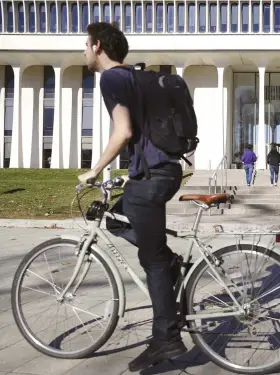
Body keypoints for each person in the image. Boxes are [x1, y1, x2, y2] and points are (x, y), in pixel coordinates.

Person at [78, 22, 187, 372]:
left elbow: (123, 131)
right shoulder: (135, 76)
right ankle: (169, 263)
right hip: (158, 172)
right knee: (114, 215)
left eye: (85, 45)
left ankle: (167, 339)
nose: (83, 52)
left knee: (151, 259)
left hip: (154, 177)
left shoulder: (111, 79)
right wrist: (130, 171)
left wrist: (95, 170)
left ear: (97, 46)